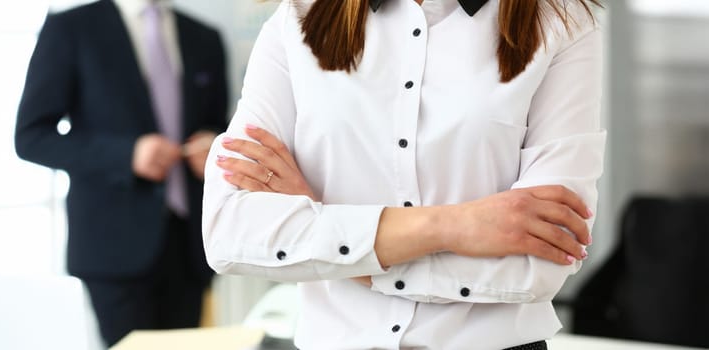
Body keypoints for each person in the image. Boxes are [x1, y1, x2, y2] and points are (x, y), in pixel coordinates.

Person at [204, 0, 605, 349]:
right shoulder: (298, 17)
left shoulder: (561, 20)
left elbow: (540, 265)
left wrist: (331, 236)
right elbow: (231, 233)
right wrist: (454, 226)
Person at [14, 0, 228, 346]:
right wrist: (126, 155)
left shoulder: (203, 36)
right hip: (112, 247)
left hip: (191, 247)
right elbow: (31, 137)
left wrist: (213, 145)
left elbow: (217, 125)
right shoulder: (71, 28)